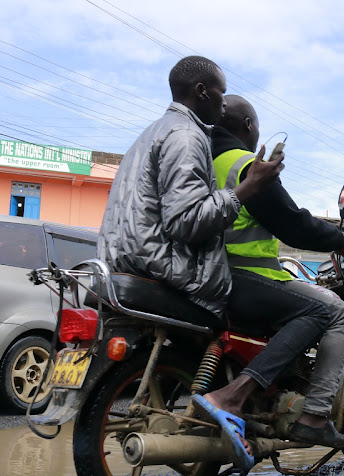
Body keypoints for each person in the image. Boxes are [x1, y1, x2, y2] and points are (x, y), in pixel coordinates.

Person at [196, 95, 344, 462]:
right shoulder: (243, 163)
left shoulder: (201, 161)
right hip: (244, 276)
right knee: (337, 313)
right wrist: (339, 239)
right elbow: (291, 221)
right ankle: (314, 415)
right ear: (249, 128)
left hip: (204, 277)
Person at [98, 56, 283, 317]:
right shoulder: (186, 135)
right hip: (169, 271)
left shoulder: (153, 133)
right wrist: (249, 186)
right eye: (222, 92)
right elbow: (187, 220)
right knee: (326, 313)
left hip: (131, 264)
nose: (225, 103)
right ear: (202, 92)